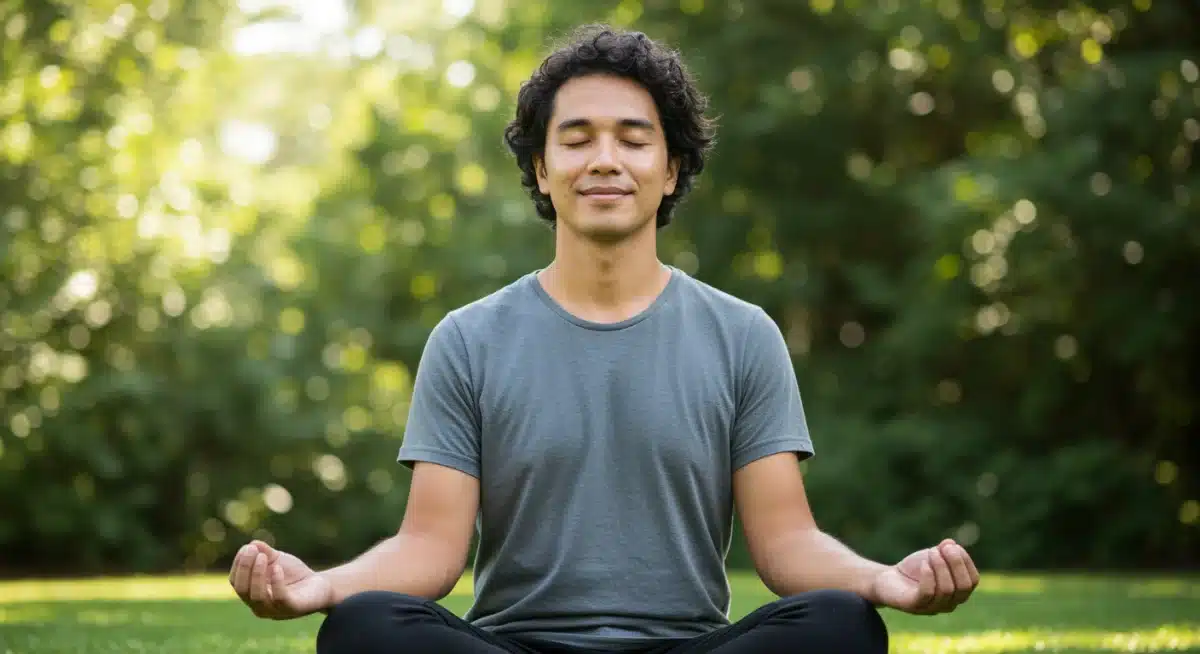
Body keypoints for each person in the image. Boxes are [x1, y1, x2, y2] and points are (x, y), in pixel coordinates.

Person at [228, 24, 980, 653]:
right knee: (364, 628)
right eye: (577, 139)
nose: (605, 160)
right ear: (541, 168)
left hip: (686, 645)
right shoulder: (468, 340)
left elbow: (785, 547)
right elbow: (429, 549)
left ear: (671, 166)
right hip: (515, 645)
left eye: (633, 139)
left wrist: (883, 581)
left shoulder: (743, 336)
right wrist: (321, 587)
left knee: (840, 625)